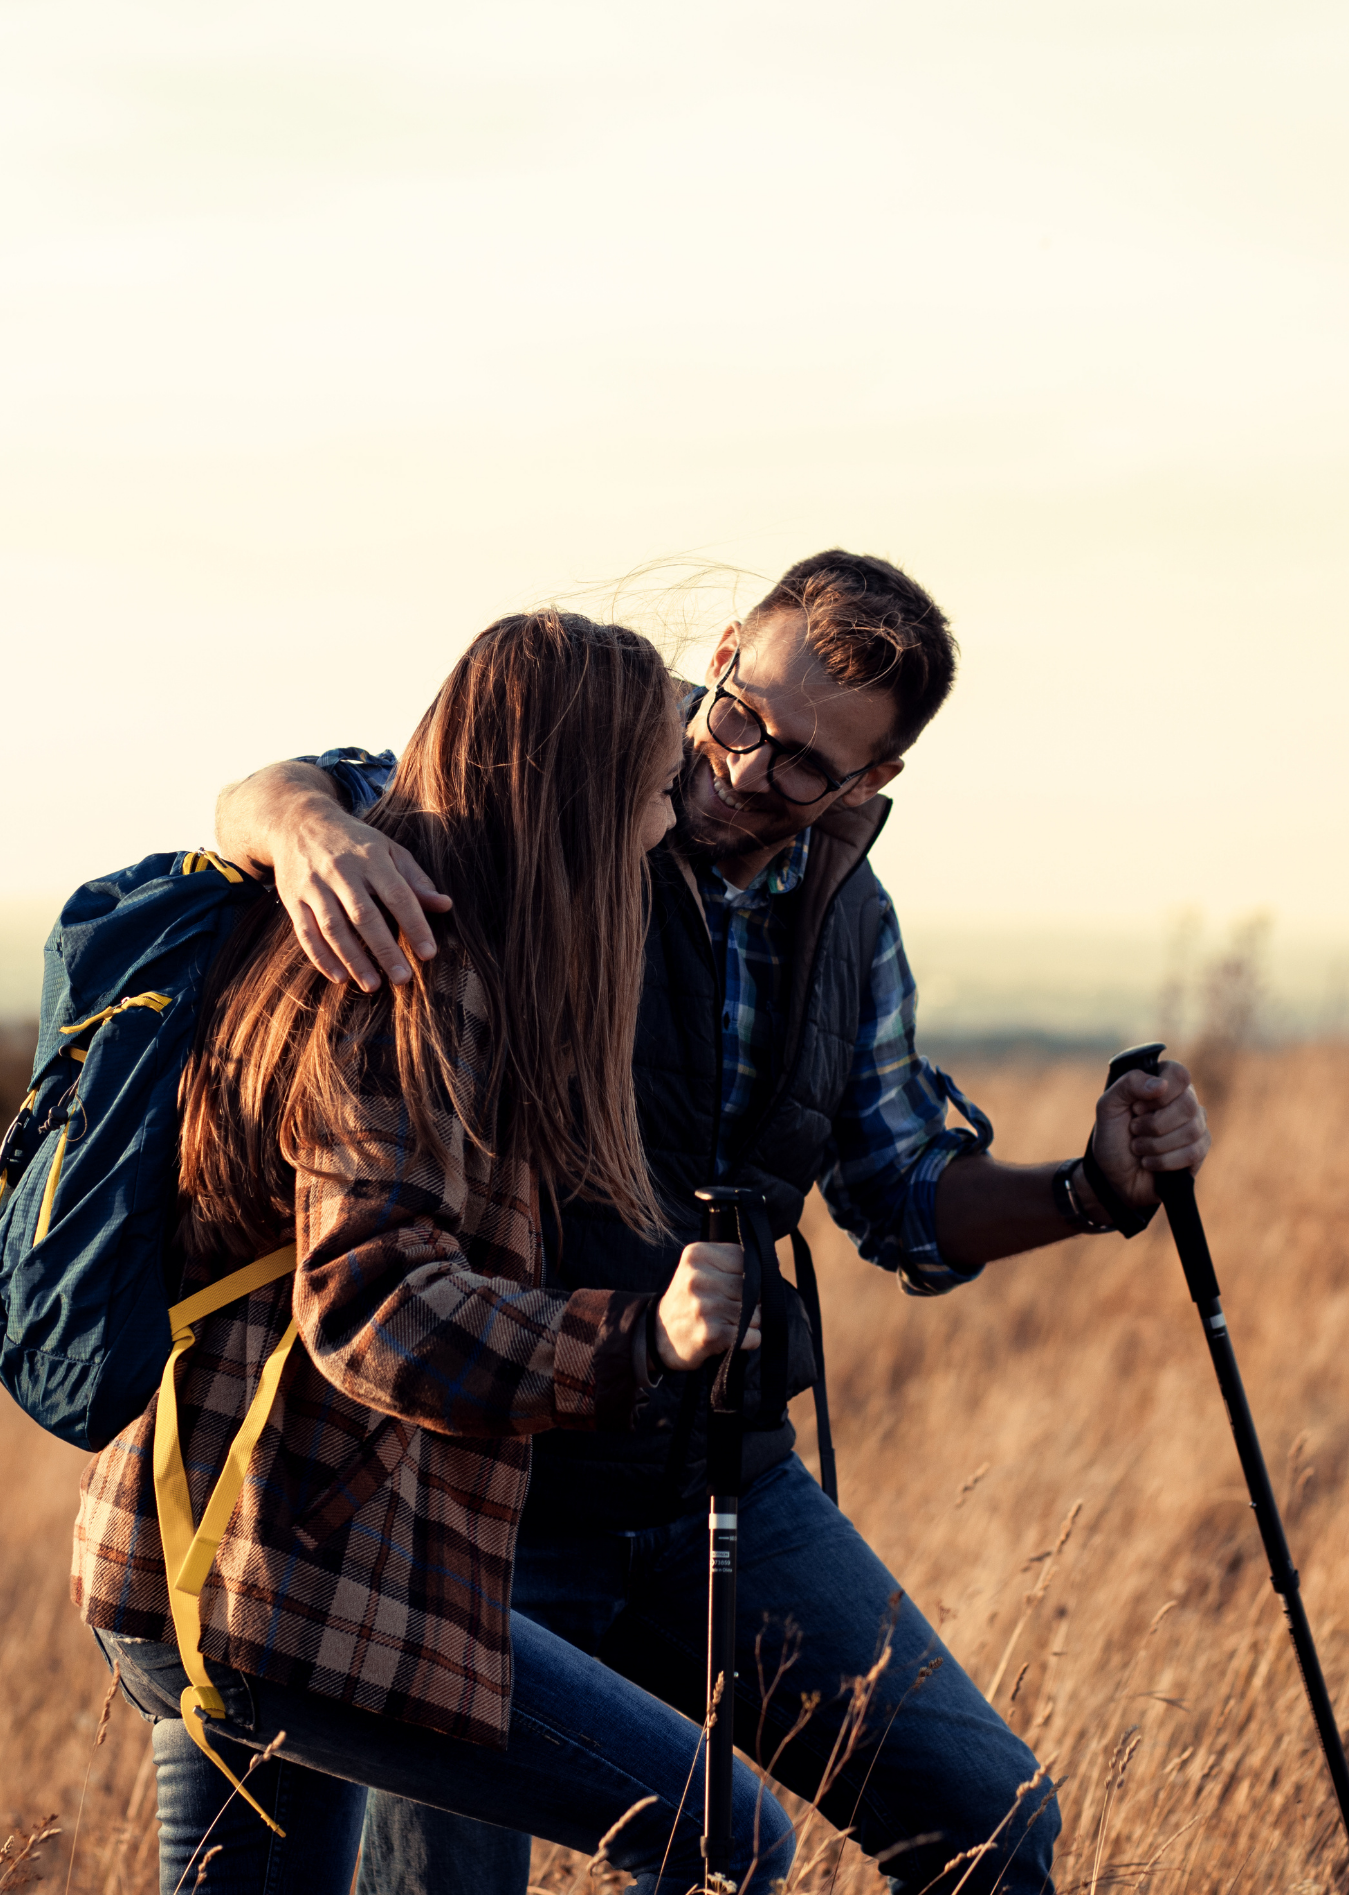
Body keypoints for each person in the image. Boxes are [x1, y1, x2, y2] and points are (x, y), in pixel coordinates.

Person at [217, 550, 1212, 1895]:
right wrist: (303, 829)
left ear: (872, 785)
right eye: (744, 714)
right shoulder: (572, 776)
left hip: (725, 1479)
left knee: (994, 1824)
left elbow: (905, 1196)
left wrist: (1093, 1189)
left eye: (810, 764)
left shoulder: (851, 922)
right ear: (731, 645)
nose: (749, 768)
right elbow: (283, 789)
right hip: (488, 1492)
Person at [74, 611, 796, 1895]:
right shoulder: (419, 968)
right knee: (728, 1828)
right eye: (646, 787)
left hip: (209, 1551)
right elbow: (376, 1306)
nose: (660, 820)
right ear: (573, 791)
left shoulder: (380, 906)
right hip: (288, 1583)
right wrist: (645, 1337)